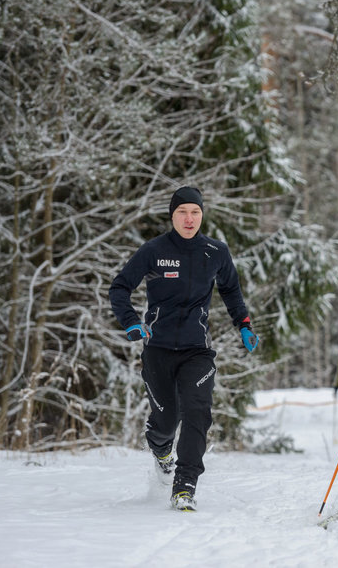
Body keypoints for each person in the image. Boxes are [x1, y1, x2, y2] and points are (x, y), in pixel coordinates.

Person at [109, 186, 259, 512]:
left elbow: (231, 290)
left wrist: (244, 325)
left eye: (195, 212)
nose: (189, 219)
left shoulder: (215, 252)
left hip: (197, 350)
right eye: (182, 212)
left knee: (197, 412)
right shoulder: (154, 250)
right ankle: (162, 451)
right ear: (172, 215)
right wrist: (131, 322)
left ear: (202, 215)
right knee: (165, 421)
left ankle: (185, 484)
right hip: (158, 349)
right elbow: (119, 287)